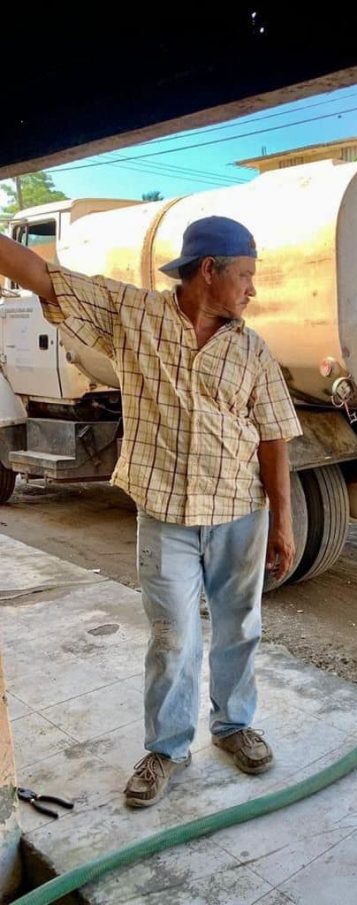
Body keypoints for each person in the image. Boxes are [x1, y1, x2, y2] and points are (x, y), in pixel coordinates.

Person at [0, 216, 302, 805]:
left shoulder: (253, 350)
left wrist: (283, 524)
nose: (252, 289)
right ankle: (166, 749)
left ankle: (234, 726)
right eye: (244, 275)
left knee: (240, 627)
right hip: (163, 512)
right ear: (208, 271)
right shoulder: (132, 315)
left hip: (239, 510)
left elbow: (274, 438)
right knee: (172, 636)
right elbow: (42, 276)